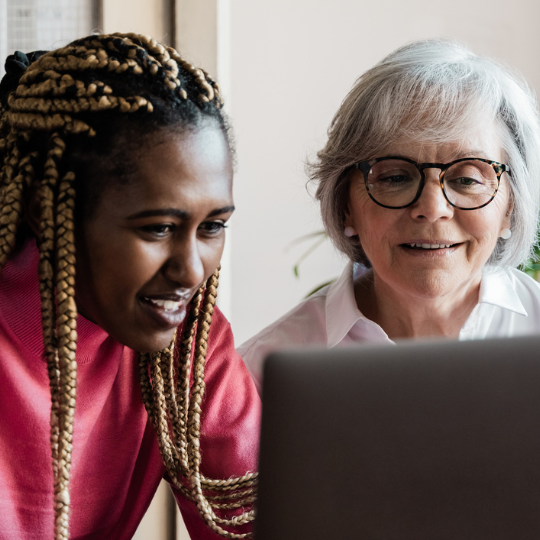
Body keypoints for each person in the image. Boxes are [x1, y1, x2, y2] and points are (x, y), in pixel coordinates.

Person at [0, 33, 259, 539]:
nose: (190, 271)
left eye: (212, 227)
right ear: (44, 213)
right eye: (158, 228)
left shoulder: (187, 347)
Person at [239, 39, 540, 394]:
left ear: (510, 207)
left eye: (467, 179)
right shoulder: (259, 379)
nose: (432, 208)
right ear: (345, 205)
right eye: (395, 177)